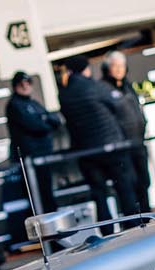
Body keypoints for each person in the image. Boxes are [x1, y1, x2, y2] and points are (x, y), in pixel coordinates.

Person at [56, 55, 142, 221]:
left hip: (86, 151)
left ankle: (107, 231)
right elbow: (116, 105)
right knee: (124, 188)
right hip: (112, 147)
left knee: (98, 194)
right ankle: (133, 225)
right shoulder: (95, 86)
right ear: (85, 69)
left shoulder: (64, 93)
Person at [102, 50, 153, 218]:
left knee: (144, 181)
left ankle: (146, 215)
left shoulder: (127, 86)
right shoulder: (103, 89)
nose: (118, 69)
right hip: (122, 147)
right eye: (115, 66)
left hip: (138, 142)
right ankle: (133, 220)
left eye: (121, 66)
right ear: (107, 68)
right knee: (129, 186)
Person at [4, 70, 63, 214]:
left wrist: (44, 120)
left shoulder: (33, 102)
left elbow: (55, 120)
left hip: (43, 153)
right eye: (21, 84)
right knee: (37, 194)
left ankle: (52, 219)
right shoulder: (14, 105)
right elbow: (34, 125)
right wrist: (44, 120)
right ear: (15, 86)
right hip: (31, 156)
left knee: (47, 190)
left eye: (28, 82)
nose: (25, 86)